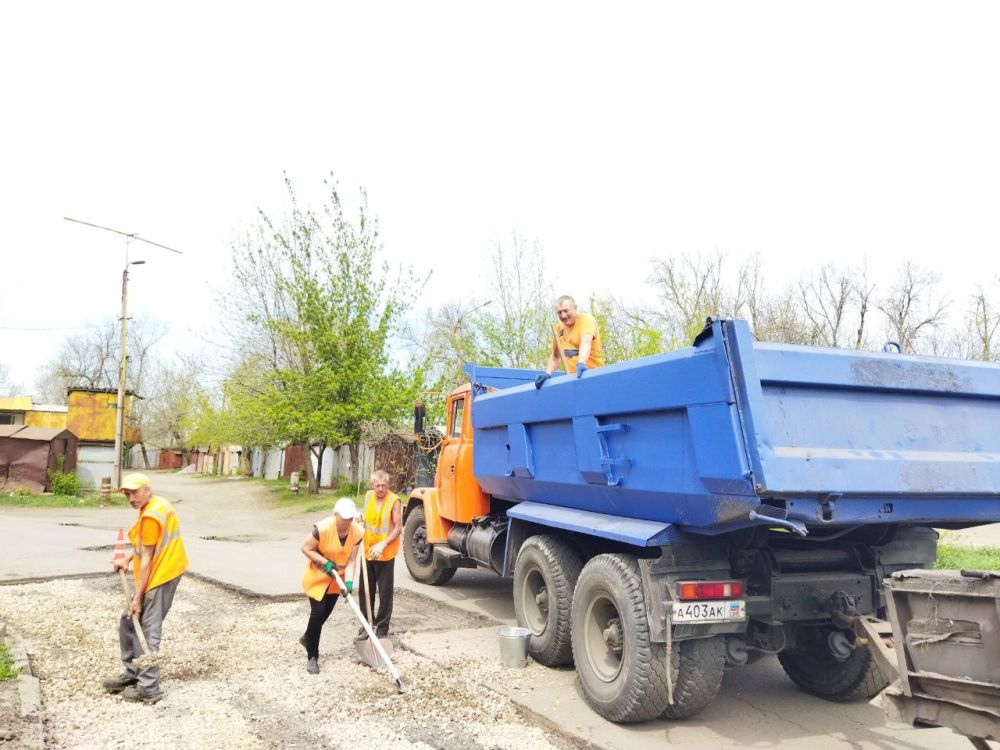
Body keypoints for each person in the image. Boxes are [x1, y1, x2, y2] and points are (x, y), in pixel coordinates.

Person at [102, 473, 188, 704]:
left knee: (148, 628)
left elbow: (148, 559)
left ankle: (148, 688)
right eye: (127, 495)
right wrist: (128, 559)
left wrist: (138, 598)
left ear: (148, 490)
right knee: (129, 621)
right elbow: (145, 545)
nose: (131, 498)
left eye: (135, 493)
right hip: (164, 569)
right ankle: (133, 673)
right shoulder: (155, 504)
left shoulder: (151, 515)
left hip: (162, 574)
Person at [298, 497, 362, 674]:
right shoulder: (323, 528)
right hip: (317, 576)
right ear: (336, 515)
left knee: (324, 614)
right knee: (318, 612)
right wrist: (325, 562)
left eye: (351, 518)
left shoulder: (356, 532)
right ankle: (312, 656)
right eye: (345, 518)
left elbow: (351, 560)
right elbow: (305, 548)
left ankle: (308, 636)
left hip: (336, 579)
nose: (348, 521)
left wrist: (349, 582)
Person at [355, 469, 402, 640]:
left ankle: (382, 627)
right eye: (377, 486)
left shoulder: (394, 501)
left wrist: (383, 544)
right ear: (372, 485)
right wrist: (359, 518)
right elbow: (366, 517)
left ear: (388, 485)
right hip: (368, 550)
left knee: (384, 592)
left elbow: (398, 527)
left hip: (385, 553)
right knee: (365, 590)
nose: (380, 489)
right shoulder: (369, 496)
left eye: (383, 485)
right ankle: (366, 623)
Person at [535, 295, 605, 388]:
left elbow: (586, 342)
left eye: (566, 311)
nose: (563, 315)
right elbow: (555, 356)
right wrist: (548, 374)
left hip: (592, 375)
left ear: (575, 308)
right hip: (572, 380)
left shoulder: (586, 320)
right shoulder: (558, 328)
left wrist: (581, 363)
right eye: (559, 312)